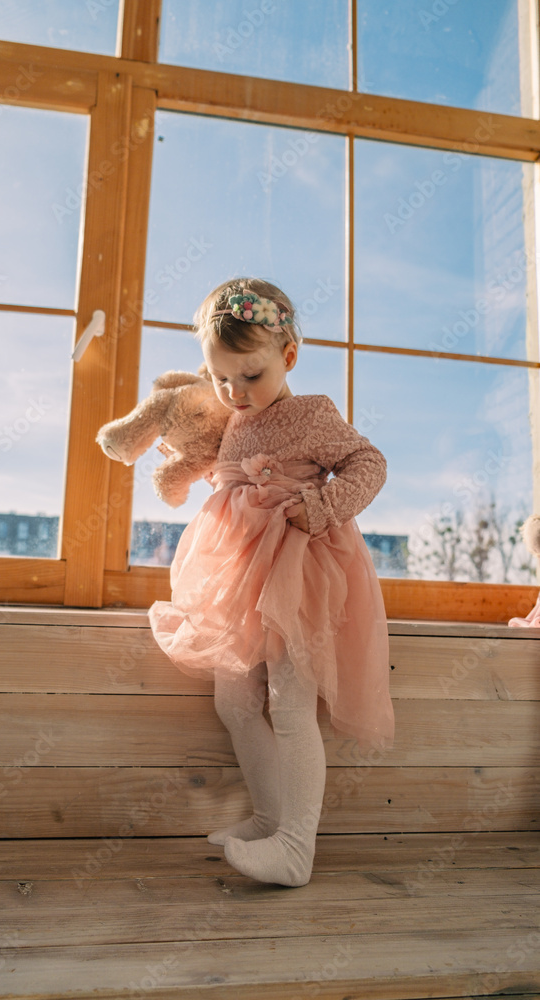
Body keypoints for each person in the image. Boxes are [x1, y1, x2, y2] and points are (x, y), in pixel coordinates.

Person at [148, 277, 394, 887]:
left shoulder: (313, 415)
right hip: (236, 579)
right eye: (220, 378)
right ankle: (267, 817)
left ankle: (296, 846)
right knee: (233, 701)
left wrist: (324, 504)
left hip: (296, 573)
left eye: (249, 376)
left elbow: (370, 462)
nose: (233, 392)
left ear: (287, 357)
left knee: (290, 704)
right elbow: (213, 470)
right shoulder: (230, 418)